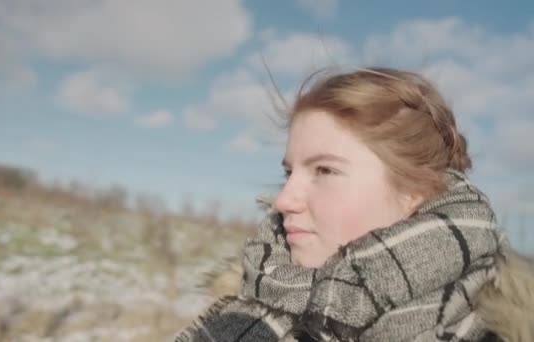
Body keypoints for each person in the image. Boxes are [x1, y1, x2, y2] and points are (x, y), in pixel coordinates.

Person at [176, 67, 534, 341]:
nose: (283, 200)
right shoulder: (240, 307)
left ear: (416, 193)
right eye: (289, 173)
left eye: (325, 170)